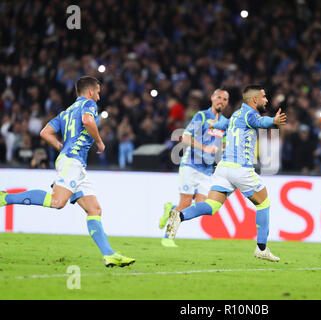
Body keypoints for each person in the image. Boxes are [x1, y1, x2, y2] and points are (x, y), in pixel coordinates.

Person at [0, 76, 136, 268]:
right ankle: (6, 198)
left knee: (94, 209)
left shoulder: (66, 112)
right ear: (90, 91)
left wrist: (61, 147)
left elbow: (45, 132)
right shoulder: (88, 104)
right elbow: (88, 121)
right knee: (57, 202)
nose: (98, 96)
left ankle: (109, 255)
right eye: (97, 91)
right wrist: (99, 141)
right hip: (72, 162)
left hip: (74, 163)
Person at [165, 85, 287, 262]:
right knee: (264, 204)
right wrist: (273, 122)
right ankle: (261, 248)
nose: (266, 100)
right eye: (264, 96)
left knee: (212, 206)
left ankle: (179, 215)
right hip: (241, 169)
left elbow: (227, 128)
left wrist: (216, 129)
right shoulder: (249, 114)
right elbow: (261, 122)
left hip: (223, 169)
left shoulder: (237, 114)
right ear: (254, 100)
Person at [159, 89, 229, 247]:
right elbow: (185, 137)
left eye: (225, 99)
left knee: (202, 206)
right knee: (185, 203)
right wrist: (205, 147)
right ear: (212, 98)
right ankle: (168, 238)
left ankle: (171, 210)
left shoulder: (225, 122)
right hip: (191, 164)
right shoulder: (201, 116)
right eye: (219, 97)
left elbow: (223, 142)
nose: (221, 101)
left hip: (207, 169)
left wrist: (223, 148)